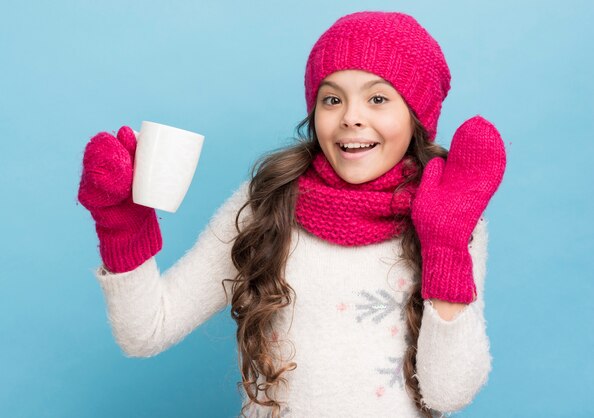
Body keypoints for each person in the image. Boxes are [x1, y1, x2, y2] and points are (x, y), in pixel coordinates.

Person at [78, 11, 506, 418]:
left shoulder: (449, 214)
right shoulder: (270, 202)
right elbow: (146, 332)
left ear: (416, 117)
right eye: (332, 98)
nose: (351, 118)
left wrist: (446, 246)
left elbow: (449, 392)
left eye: (378, 98)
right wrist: (122, 224)